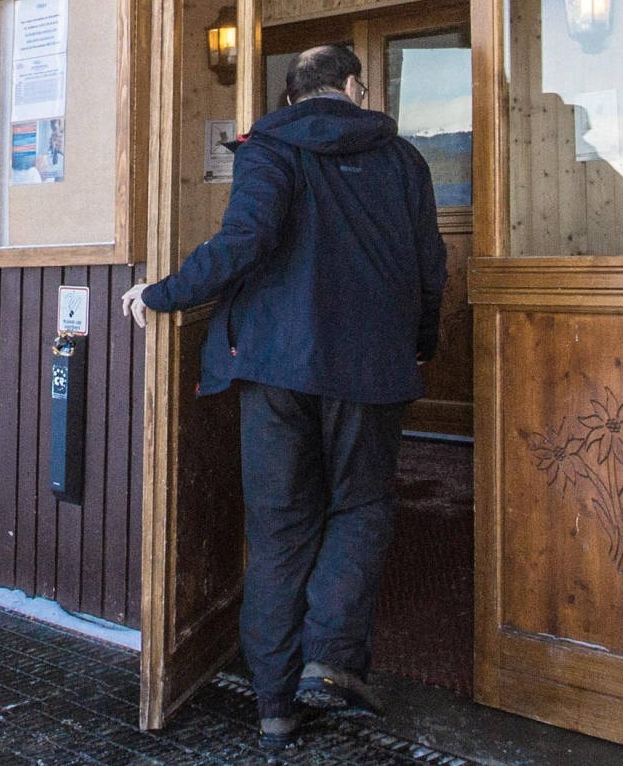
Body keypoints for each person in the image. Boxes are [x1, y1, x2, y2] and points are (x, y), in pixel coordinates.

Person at [122, 41, 445, 749]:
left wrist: (164, 293)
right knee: (359, 505)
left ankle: (274, 705)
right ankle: (329, 657)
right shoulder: (403, 159)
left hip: (273, 365)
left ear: (293, 96)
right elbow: (430, 264)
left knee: (278, 530)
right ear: (355, 86)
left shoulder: (269, 147)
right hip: (370, 368)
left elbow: (246, 241)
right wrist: (422, 338)